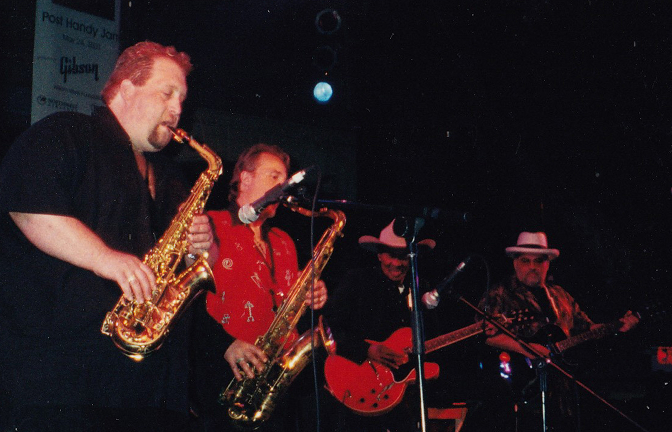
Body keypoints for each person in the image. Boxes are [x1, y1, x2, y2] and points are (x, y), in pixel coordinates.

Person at [0, 41, 217, 431]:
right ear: (125, 88)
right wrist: (106, 258)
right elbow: (24, 203)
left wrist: (199, 250)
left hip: (151, 388)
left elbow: (193, 273)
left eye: (182, 98)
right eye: (167, 93)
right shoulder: (68, 132)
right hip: (65, 381)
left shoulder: (172, 181)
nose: (178, 109)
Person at [189, 143, 328, 432]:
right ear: (245, 178)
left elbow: (288, 308)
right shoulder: (210, 225)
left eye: (285, 178)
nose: (284, 186)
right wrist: (225, 344)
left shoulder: (284, 242)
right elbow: (189, 304)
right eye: (274, 176)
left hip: (276, 384)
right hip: (226, 378)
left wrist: (311, 296)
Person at [477, 231, 639, 431]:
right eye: (526, 261)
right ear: (515, 263)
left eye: (539, 261)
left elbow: (586, 328)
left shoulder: (560, 294)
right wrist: (527, 350)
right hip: (519, 389)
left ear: (547, 264)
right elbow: (484, 335)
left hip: (562, 389)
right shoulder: (499, 293)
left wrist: (617, 326)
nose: (532, 267)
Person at [322, 219, 437, 432]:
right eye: (391, 256)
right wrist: (367, 349)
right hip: (356, 385)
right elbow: (328, 327)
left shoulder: (422, 288)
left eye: (403, 257)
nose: (397, 263)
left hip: (398, 391)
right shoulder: (357, 280)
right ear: (379, 255)